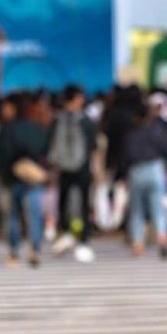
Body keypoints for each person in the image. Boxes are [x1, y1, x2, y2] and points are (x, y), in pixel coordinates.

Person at [0, 93, 49, 267]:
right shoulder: (37, 128)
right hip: (33, 177)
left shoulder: (7, 129)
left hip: (11, 177)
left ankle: (14, 251)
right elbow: (44, 150)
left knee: (13, 216)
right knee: (35, 215)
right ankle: (35, 249)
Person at [49, 84, 97, 263]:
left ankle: (64, 234)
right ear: (77, 98)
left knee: (63, 202)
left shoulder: (57, 120)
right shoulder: (85, 121)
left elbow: (51, 146)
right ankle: (83, 241)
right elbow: (93, 147)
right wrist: (97, 170)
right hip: (82, 167)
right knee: (83, 204)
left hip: (62, 168)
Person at [123, 101, 167, 260]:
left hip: (136, 170)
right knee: (158, 208)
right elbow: (166, 149)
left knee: (137, 210)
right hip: (155, 168)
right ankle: (162, 237)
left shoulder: (131, 133)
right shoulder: (156, 130)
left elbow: (125, 155)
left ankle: (138, 243)